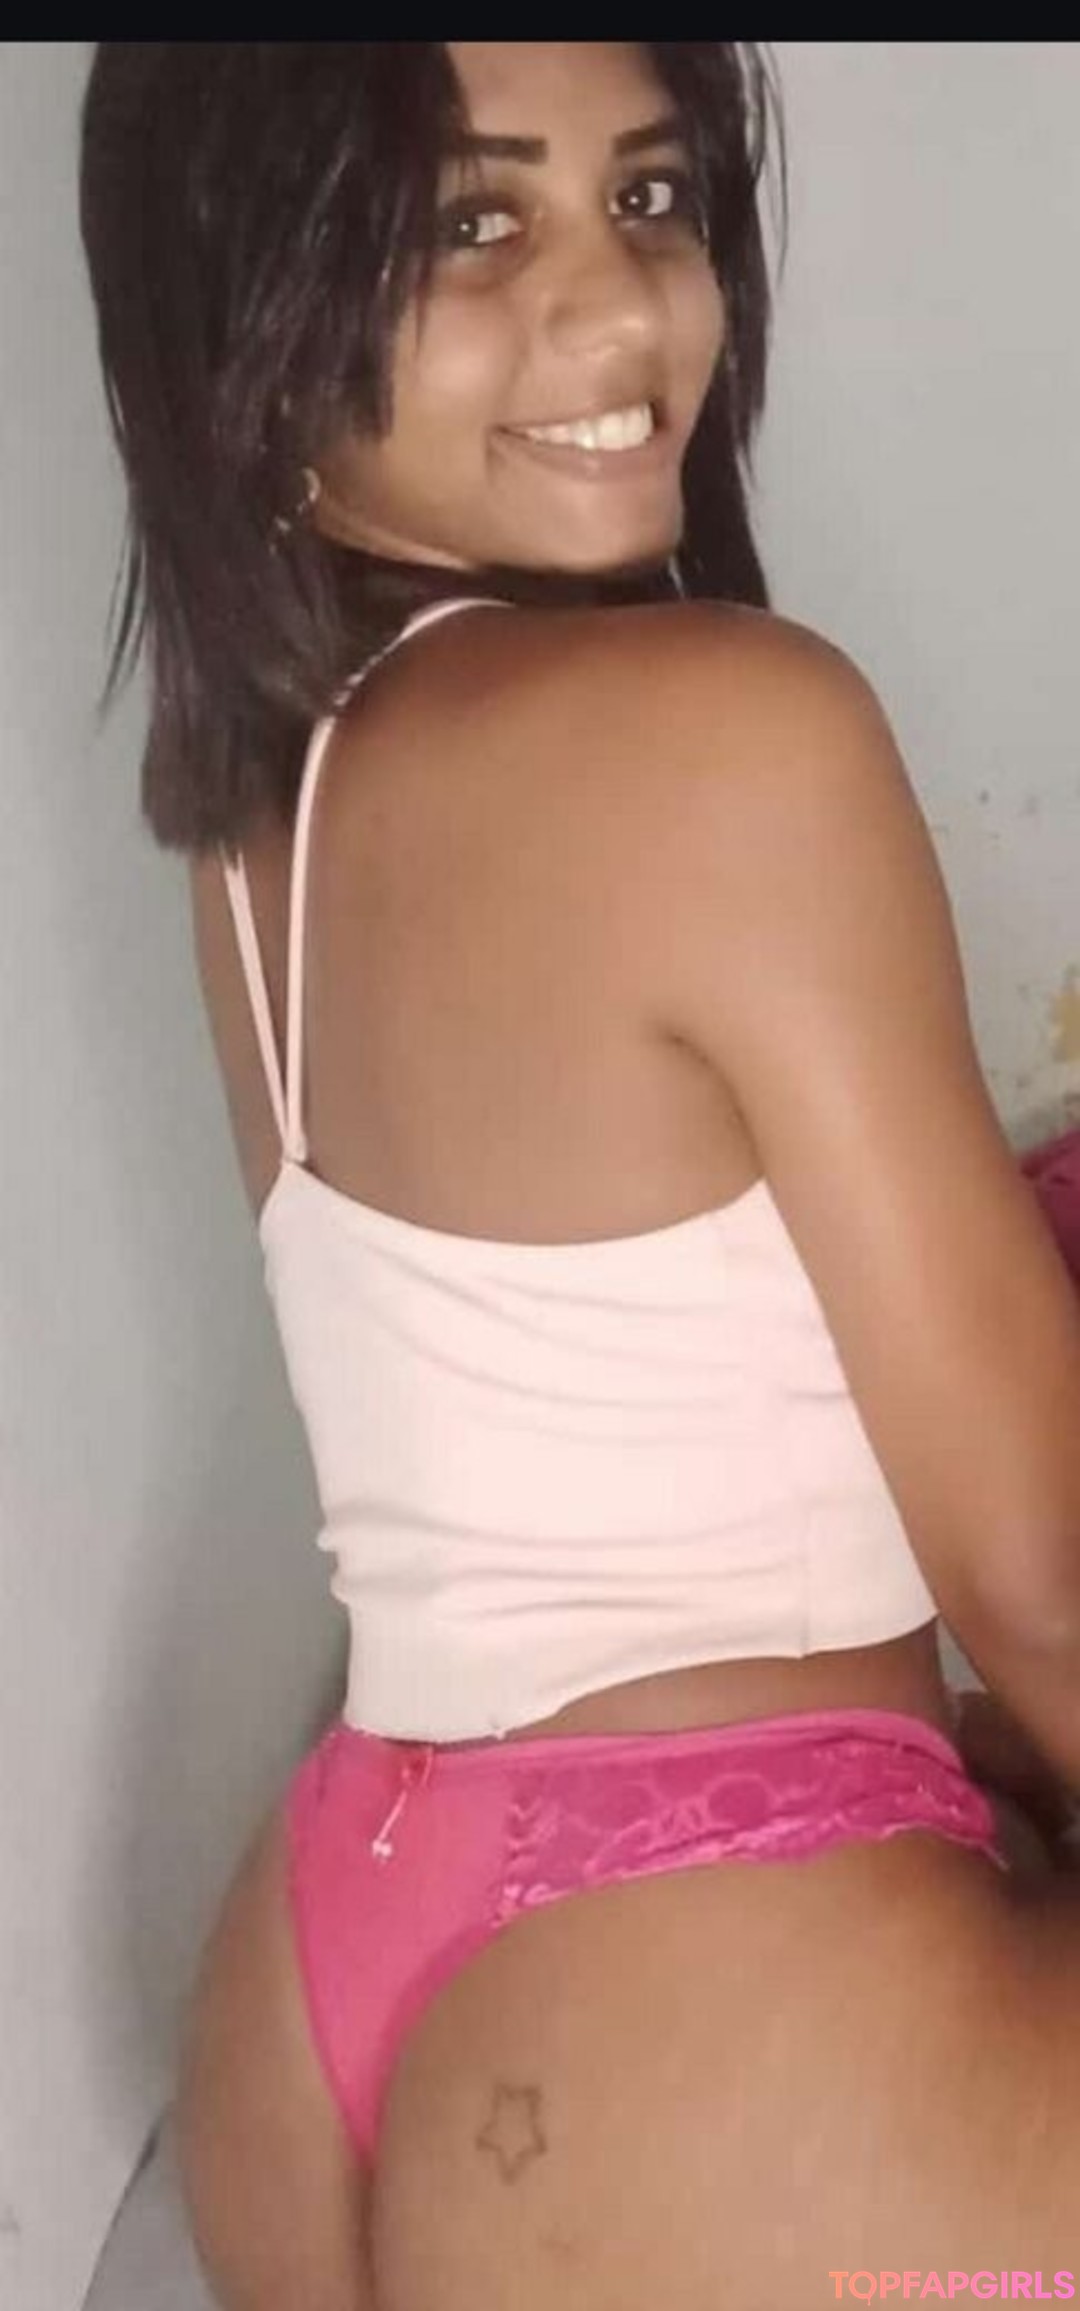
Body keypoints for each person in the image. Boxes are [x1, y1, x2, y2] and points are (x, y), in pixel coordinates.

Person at [79, 40, 1080, 2311]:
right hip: (692, 2028)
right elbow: (1041, 1577)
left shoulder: (269, 798)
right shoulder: (734, 734)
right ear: (248, 300)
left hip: (325, 2001)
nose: (621, 309)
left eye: (649, 197)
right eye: (470, 221)